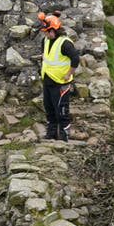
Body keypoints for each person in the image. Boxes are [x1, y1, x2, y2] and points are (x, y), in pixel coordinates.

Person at [37, 11, 79, 141]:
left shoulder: (65, 43)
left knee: (61, 110)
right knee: (49, 108)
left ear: (55, 30)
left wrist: (68, 74)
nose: (46, 34)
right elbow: (46, 55)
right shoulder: (45, 41)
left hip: (61, 82)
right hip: (48, 80)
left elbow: (75, 59)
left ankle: (64, 136)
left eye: (47, 31)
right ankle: (51, 133)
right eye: (45, 32)